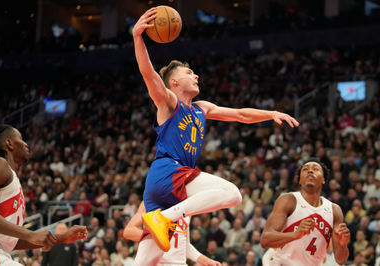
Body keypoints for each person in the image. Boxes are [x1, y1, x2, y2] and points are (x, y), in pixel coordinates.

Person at [132, 7, 299, 263]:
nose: (196, 75)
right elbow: (149, 74)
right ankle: (163, 218)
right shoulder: (168, 102)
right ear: (173, 83)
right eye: (188, 73)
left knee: (152, 260)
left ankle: (163, 218)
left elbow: (240, 115)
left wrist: (270, 113)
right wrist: (137, 37)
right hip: (168, 173)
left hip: (165, 190)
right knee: (233, 194)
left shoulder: (201, 108)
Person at [0, 124, 87, 265]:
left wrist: (61, 238)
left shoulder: (11, 179)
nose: (25, 143)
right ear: (9, 143)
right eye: (21, 138)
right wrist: (30, 233)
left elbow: (9, 239)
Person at [260, 158, 350, 265]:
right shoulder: (289, 200)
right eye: (305, 169)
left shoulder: (334, 210)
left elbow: (341, 260)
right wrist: (295, 234)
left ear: (323, 180)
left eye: (315, 169)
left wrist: (343, 244)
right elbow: (265, 240)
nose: (310, 171)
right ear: (300, 180)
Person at [123, 201, 221, 266]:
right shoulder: (150, 201)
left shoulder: (188, 204)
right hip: (157, 263)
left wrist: (204, 260)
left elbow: (184, 244)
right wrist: (158, 236)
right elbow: (129, 231)